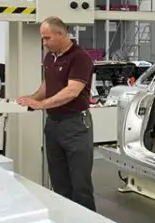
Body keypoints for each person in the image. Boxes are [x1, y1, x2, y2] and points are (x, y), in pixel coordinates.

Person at [16, 16, 96, 212]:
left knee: (80, 184)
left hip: (75, 125)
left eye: (47, 38)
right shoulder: (50, 57)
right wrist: (30, 99)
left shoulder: (80, 58)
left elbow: (72, 91)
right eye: (43, 39)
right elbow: (47, 85)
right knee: (59, 182)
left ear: (61, 34)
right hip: (53, 125)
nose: (44, 43)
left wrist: (40, 104)